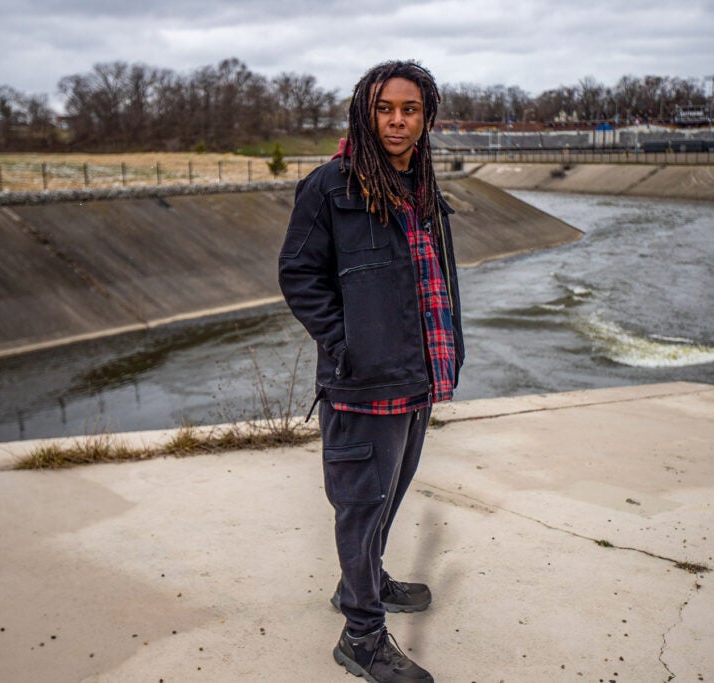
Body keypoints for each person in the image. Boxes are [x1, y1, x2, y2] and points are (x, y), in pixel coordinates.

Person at [278, 60, 465, 683]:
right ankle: (361, 636)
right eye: (385, 108)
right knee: (360, 506)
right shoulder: (331, 186)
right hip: (362, 383)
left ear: (426, 118)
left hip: (417, 376)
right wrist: (347, 346)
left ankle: (362, 581)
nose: (396, 120)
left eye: (409, 109)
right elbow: (298, 275)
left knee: (388, 496)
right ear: (365, 112)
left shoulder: (420, 183)